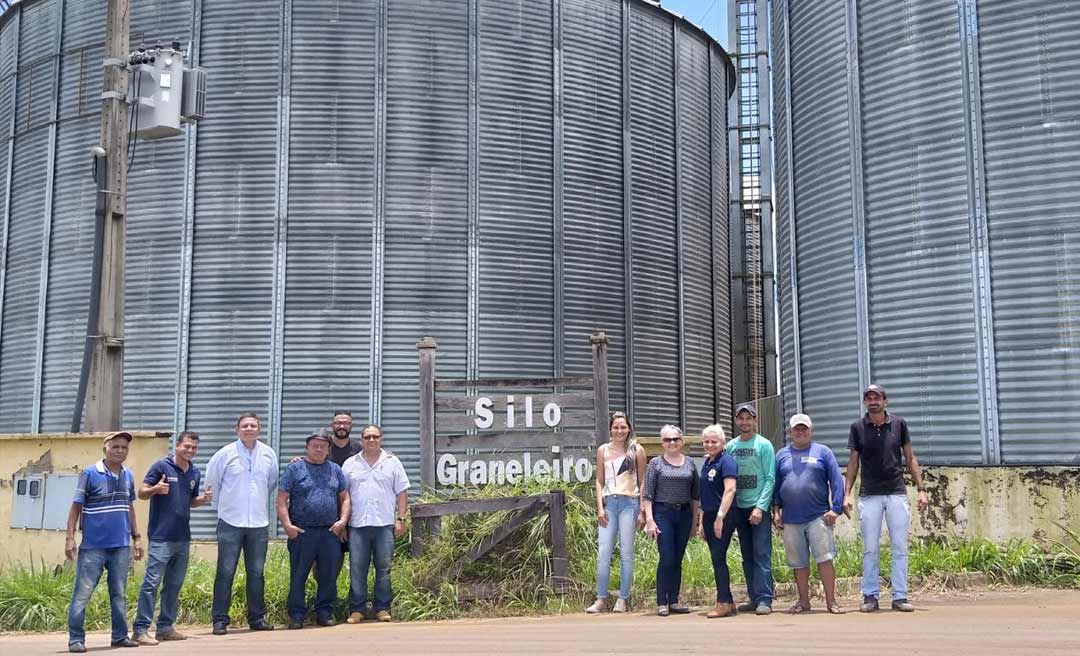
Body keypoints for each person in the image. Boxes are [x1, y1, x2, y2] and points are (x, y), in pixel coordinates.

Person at [844, 384, 929, 613]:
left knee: (900, 546)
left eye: (877, 398)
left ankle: (900, 596)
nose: (873, 402)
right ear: (865, 402)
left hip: (896, 492)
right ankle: (870, 596)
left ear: (885, 401)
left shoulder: (899, 424)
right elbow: (853, 462)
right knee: (870, 548)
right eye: (869, 398)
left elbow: (910, 458)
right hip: (869, 494)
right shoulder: (857, 427)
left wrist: (921, 489)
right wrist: (847, 494)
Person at [64, 431, 144, 653]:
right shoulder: (90, 473)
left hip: (120, 546)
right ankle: (76, 639)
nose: (120, 451)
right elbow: (76, 507)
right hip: (93, 547)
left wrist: (137, 538)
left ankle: (119, 636)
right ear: (105, 449)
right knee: (82, 594)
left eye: (124, 447)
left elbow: (129, 507)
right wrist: (70, 538)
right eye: (115, 446)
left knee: (119, 594)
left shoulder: (128, 475)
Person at [132, 431, 213, 644]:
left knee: (174, 585)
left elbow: (190, 501)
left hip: (182, 537)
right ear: (177, 446)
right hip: (161, 536)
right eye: (187, 446)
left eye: (194, 447)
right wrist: (155, 489)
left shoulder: (194, 472)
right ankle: (140, 630)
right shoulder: (161, 466)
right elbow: (141, 492)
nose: (190, 450)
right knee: (151, 583)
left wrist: (202, 499)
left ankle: (165, 628)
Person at [204, 412, 279, 634]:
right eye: (244, 426)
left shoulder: (268, 454)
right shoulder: (224, 454)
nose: (249, 429)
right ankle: (220, 620)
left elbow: (271, 483)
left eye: (253, 425)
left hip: (258, 522)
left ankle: (257, 618)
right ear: (237, 429)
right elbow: (212, 484)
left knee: (256, 573)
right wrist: (225, 509)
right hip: (230, 522)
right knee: (225, 572)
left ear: (259, 429)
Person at [773, 414, 847, 615]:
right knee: (798, 563)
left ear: (811, 431)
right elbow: (776, 484)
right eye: (796, 429)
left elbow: (836, 480)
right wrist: (776, 510)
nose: (800, 432)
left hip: (818, 516)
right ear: (790, 432)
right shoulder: (781, 455)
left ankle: (832, 602)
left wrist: (836, 509)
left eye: (804, 428)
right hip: (791, 518)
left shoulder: (823, 452)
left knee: (824, 559)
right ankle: (804, 602)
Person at [277, 431, 350, 629]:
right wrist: (287, 525)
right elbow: (281, 499)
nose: (318, 449)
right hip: (302, 532)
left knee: (328, 576)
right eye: (314, 446)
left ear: (328, 449)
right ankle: (296, 615)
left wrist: (342, 521)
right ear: (307, 448)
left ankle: (324, 613)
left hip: (329, 532)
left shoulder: (335, 470)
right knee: (298, 575)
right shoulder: (295, 469)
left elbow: (345, 498)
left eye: (323, 446)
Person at [342, 424, 410, 623]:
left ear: (381, 439)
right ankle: (357, 609)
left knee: (384, 569)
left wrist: (401, 519)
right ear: (361, 440)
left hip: (384, 525)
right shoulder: (350, 464)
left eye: (375, 436)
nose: (371, 440)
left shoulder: (392, 462)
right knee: (357, 569)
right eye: (367, 437)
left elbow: (402, 493)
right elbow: (343, 495)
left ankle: (382, 608)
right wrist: (343, 522)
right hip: (357, 525)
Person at [586, 411, 647, 614]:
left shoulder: (636, 450)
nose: (619, 431)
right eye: (616, 427)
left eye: (623, 427)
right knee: (604, 552)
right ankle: (601, 598)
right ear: (610, 429)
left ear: (629, 428)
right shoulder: (603, 450)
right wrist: (600, 507)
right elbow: (599, 480)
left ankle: (623, 598)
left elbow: (642, 481)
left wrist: (642, 510)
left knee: (626, 553)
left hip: (629, 503)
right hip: (609, 504)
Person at [642, 425, 700, 617]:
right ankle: (661, 602)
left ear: (682, 441)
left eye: (675, 439)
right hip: (662, 513)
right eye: (667, 439)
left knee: (677, 558)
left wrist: (694, 522)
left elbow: (695, 496)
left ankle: (674, 600)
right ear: (662, 443)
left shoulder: (690, 463)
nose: (672, 442)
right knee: (666, 558)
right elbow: (648, 494)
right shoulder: (655, 464)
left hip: (684, 514)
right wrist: (650, 520)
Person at [725, 402, 776, 615]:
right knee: (747, 555)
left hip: (757, 508)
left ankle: (765, 599)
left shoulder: (764, 445)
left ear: (755, 420)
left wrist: (760, 507)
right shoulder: (731, 446)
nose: (745, 422)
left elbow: (770, 478)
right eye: (741, 418)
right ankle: (754, 597)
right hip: (739, 507)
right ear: (736, 421)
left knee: (761, 554)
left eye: (749, 418)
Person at [698, 424, 739, 618]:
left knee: (718, 558)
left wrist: (720, 518)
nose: (710, 444)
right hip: (709, 515)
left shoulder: (726, 462)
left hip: (723, 515)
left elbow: (730, 490)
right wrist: (702, 521)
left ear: (723, 442)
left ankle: (722, 602)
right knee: (717, 559)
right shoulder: (708, 462)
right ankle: (729, 602)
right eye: (706, 441)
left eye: (714, 441)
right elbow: (704, 494)